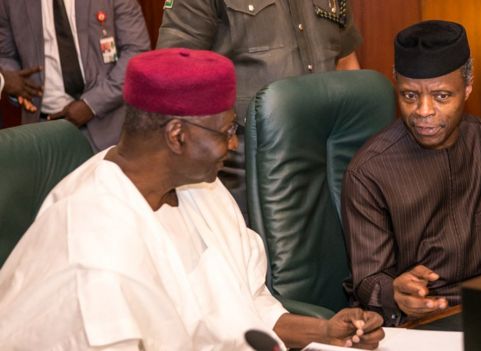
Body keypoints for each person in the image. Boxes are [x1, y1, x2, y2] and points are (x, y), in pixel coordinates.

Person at [0, 48, 384, 350]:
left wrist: (324, 331)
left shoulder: (203, 188)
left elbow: (250, 314)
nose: (233, 145)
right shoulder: (92, 241)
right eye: (226, 131)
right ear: (177, 134)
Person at [341, 20, 481, 326]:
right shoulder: (369, 172)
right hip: (416, 321)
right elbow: (368, 277)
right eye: (409, 96)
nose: (423, 111)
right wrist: (395, 291)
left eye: (441, 96)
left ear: (468, 86)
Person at [157, 0, 362, 219]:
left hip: (326, 161)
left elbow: (346, 62)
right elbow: (173, 73)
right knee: (253, 252)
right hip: (244, 169)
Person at [0, 0, 150, 151]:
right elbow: (6, 55)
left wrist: (91, 105)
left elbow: (136, 52)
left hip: (108, 127)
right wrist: (16, 85)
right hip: (43, 131)